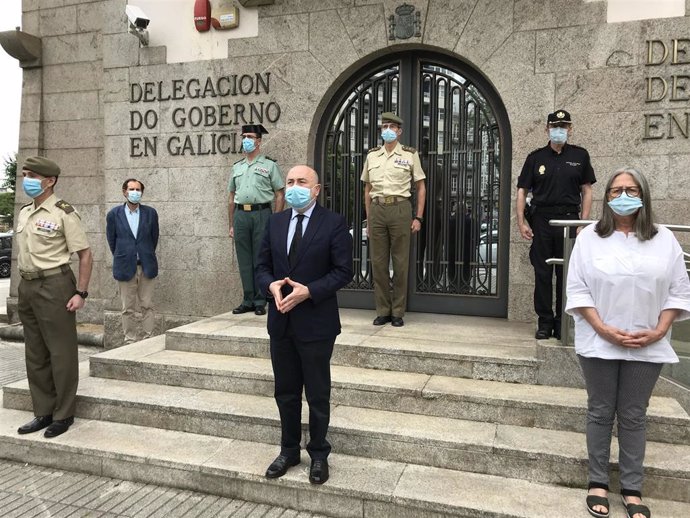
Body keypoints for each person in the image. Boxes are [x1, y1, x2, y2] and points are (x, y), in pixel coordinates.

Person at [566, 168, 690, 518]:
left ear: (643, 195)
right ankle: (598, 482)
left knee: (634, 415)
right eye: (616, 190)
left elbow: (679, 291)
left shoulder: (663, 238)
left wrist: (659, 331)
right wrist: (602, 328)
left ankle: (633, 488)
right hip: (598, 341)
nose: (623, 196)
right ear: (606, 196)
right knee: (601, 411)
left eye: (631, 190)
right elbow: (577, 289)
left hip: (646, 343)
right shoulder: (589, 237)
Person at [256, 165, 352, 485]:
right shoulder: (276, 221)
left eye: (302, 182)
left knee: (317, 392)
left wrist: (309, 291)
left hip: (316, 323)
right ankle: (288, 450)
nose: (295, 187)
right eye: (290, 182)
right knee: (285, 391)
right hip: (281, 321)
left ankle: (319, 453)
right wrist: (270, 286)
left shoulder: (334, 223)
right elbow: (262, 267)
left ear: (316, 189)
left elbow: (343, 272)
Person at [15, 156, 93, 438]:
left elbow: (85, 254)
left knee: (61, 352)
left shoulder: (64, 212)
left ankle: (63, 414)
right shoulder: (24, 212)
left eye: (33, 176)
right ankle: (43, 411)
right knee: (35, 352)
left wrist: (80, 292)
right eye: (25, 174)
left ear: (50, 181)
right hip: (28, 286)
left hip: (55, 284)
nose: (28, 180)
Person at [516, 109, 595, 340]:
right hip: (542, 220)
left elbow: (587, 190)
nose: (558, 130)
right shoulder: (536, 158)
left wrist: (583, 222)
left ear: (570, 129)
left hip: (569, 220)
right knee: (542, 273)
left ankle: (562, 322)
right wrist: (521, 222)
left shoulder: (580, 156)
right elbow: (522, 191)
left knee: (566, 273)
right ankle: (544, 322)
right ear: (547, 129)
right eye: (554, 126)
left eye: (563, 126)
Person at [361, 112, 426, 327]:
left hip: (400, 208)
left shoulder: (409, 154)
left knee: (400, 262)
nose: (387, 130)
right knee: (378, 263)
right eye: (383, 126)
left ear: (399, 131)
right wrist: (369, 220)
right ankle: (382, 310)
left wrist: (418, 216)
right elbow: (367, 188)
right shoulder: (372, 156)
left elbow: (420, 186)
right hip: (378, 209)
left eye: (391, 126)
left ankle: (397, 311)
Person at [228, 124, 285, 316]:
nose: (246, 140)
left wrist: (276, 221)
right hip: (241, 216)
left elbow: (279, 194)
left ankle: (261, 299)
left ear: (259, 141)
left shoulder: (269, 165)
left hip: (262, 214)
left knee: (260, 259)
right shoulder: (237, 167)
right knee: (244, 259)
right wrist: (231, 224)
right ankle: (248, 299)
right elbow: (230, 197)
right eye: (244, 136)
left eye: (250, 137)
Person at [106, 179, 159, 344]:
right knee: (127, 308)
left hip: (146, 266)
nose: (135, 192)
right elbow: (112, 241)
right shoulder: (114, 214)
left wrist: (144, 254)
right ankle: (130, 340)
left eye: (138, 189)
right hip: (125, 266)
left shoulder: (150, 213)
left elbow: (153, 238)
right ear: (124, 192)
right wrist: (125, 255)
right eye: (131, 189)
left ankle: (148, 338)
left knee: (147, 305)